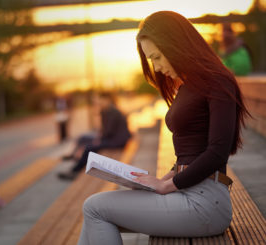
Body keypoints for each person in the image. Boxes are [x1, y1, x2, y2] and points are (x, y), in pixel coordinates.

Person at [77, 11, 250, 245]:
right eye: (151, 60)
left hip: (206, 203)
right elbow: (190, 153)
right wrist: (164, 177)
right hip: (190, 194)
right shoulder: (189, 86)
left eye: (157, 57)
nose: (156, 67)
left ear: (175, 45)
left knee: (95, 208)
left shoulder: (218, 81)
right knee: (95, 214)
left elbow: (217, 151)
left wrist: (167, 185)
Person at [58, 92, 132, 180]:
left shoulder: (112, 112)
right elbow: (105, 130)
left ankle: (75, 171)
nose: (99, 103)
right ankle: (75, 157)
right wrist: (99, 136)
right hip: (112, 138)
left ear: (108, 100)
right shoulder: (106, 110)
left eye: (101, 101)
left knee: (89, 148)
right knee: (83, 138)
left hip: (117, 141)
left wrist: (98, 139)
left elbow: (109, 132)